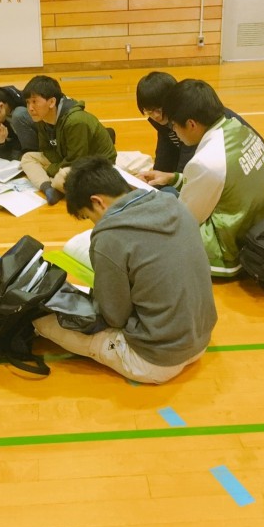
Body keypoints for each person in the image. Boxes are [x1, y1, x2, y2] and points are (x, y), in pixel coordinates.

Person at [33, 156, 217, 383]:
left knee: (42, 321)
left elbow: (114, 317)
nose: (93, 223)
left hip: (155, 360)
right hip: (201, 339)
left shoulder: (109, 237)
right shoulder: (173, 203)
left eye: (89, 216)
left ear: (97, 202)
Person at [140, 79, 264, 277]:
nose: (174, 131)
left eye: (174, 125)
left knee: (148, 228)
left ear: (191, 124)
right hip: (257, 224)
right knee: (167, 192)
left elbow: (185, 220)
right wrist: (172, 178)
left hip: (227, 249)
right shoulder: (239, 128)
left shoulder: (206, 161)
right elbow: (220, 182)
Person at [136, 71, 260, 175]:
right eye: (149, 111)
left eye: (159, 109)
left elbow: (188, 168)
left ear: (172, 99)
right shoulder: (165, 120)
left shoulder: (191, 119)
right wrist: (154, 180)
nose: (156, 116)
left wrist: (173, 182)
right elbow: (165, 156)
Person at [20, 75, 117, 205]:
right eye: (28, 102)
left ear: (52, 102)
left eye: (34, 101)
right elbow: (47, 150)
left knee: (60, 178)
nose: (30, 108)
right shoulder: (41, 118)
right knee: (27, 158)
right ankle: (48, 188)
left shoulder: (75, 121)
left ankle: (56, 186)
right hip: (67, 158)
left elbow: (77, 161)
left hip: (97, 164)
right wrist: (56, 167)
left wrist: (51, 169)